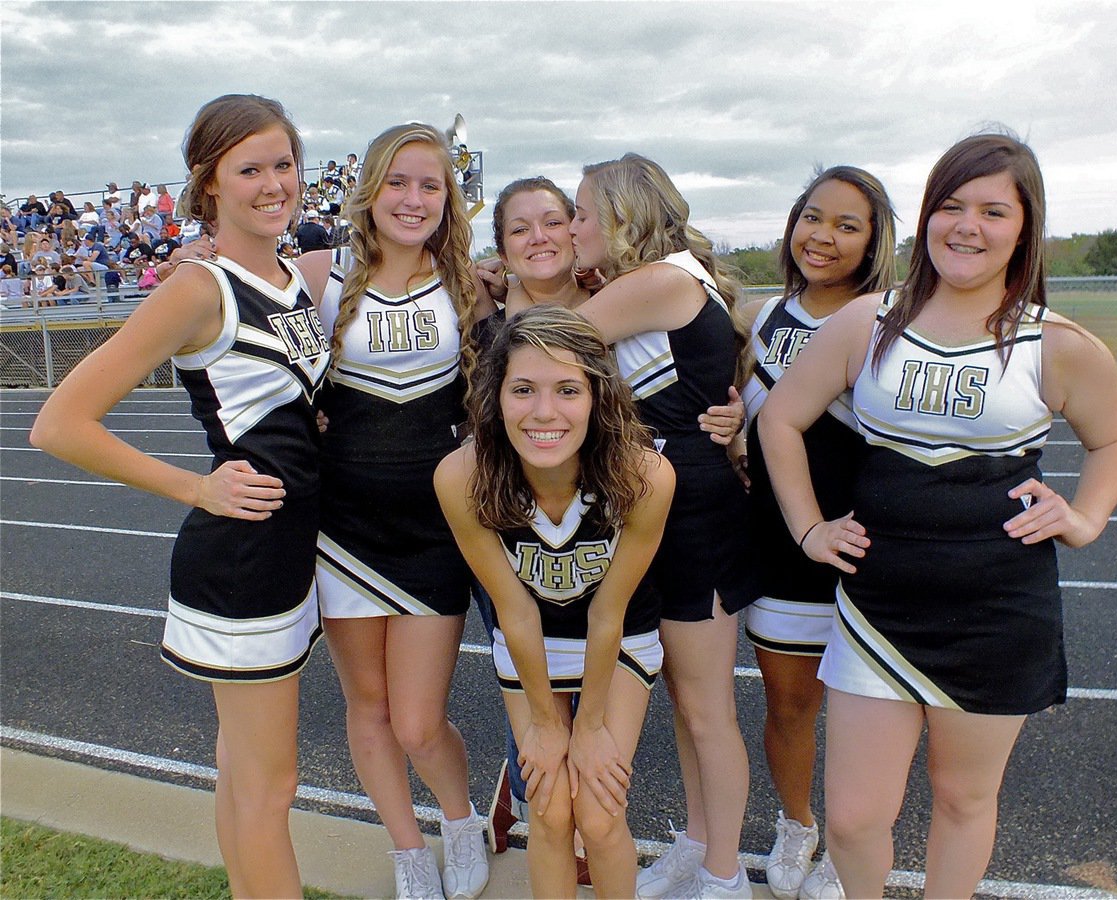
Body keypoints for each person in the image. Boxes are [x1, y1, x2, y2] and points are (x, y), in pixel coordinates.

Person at [758, 132, 1117, 900]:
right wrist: (808, 527)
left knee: (965, 799)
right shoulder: (868, 322)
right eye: (952, 205)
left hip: (999, 606)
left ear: (1025, 228)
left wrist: (1086, 518)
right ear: (929, 215)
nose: (968, 226)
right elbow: (779, 420)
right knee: (855, 819)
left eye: (994, 210)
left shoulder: (1052, 342)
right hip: (880, 602)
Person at [31, 94, 330, 899]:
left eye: (283, 163)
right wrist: (195, 486)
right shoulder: (200, 289)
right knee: (271, 789)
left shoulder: (284, 272)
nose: (274, 183)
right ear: (208, 185)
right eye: (250, 169)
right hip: (244, 558)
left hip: (286, 550)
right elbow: (59, 424)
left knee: (244, 776)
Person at [294, 122, 493, 900]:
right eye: (399, 182)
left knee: (418, 721)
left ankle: (461, 818)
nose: (413, 199)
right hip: (342, 528)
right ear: (369, 190)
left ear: (448, 199)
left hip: (432, 528)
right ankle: (407, 849)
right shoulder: (320, 275)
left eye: (430, 185)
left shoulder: (471, 285)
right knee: (367, 707)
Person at [553, 154, 758, 900]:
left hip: (693, 515)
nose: (573, 228)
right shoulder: (665, 281)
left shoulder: (660, 281)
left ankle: (726, 875)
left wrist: (512, 283)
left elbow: (542, 342)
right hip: (666, 506)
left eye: (580, 214)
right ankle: (701, 844)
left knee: (708, 710)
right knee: (684, 699)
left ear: (620, 215)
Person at [435, 306, 675, 899]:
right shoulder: (461, 477)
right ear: (496, 396)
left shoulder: (645, 475)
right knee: (547, 809)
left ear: (598, 395)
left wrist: (588, 726)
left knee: (597, 812)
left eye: (568, 389)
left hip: (616, 637)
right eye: (523, 390)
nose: (544, 413)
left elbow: (607, 612)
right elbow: (513, 612)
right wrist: (545, 725)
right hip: (530, 640)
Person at [738, 167, 897, 900]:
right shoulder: (769, 312)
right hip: (780, 539)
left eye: (846, 225)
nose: (822, 237)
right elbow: (757, 419)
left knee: (872, 716)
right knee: (789, 703)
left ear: (873, 243)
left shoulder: (889, 321)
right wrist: (724, 428)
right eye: (813, 217)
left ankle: (847, 842)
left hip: (864, 543)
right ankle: (797, 823)